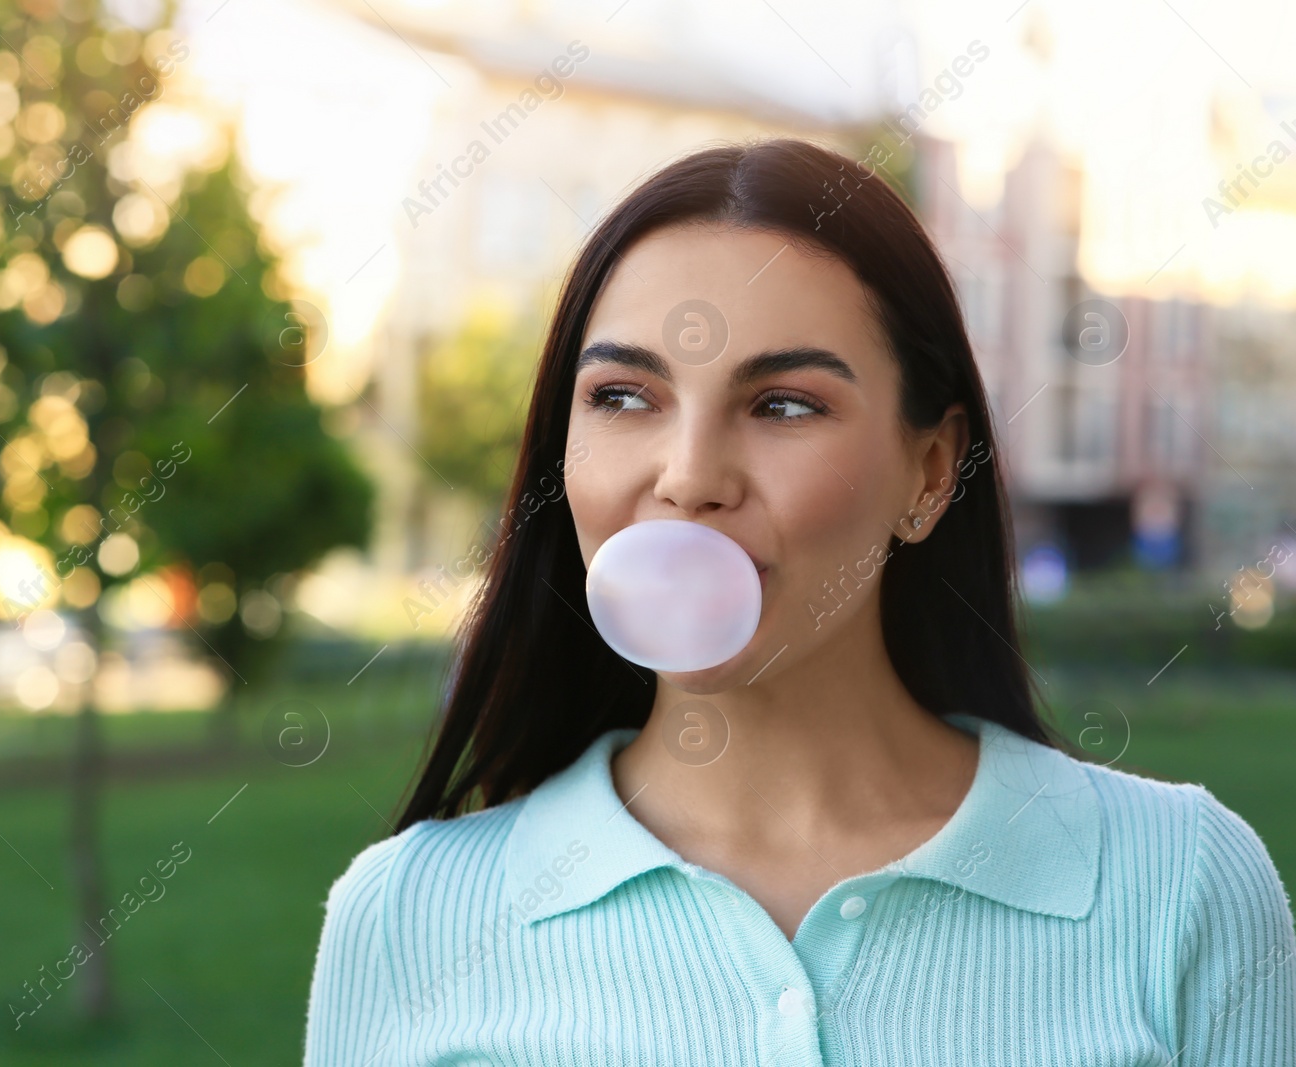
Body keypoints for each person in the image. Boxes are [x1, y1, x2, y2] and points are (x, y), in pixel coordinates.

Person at [302, 139, 1296, 1065]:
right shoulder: (405, 917)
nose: (688, 477)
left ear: (930, 471)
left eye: (783, 405)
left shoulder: (1180, 886)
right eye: (622, 396)